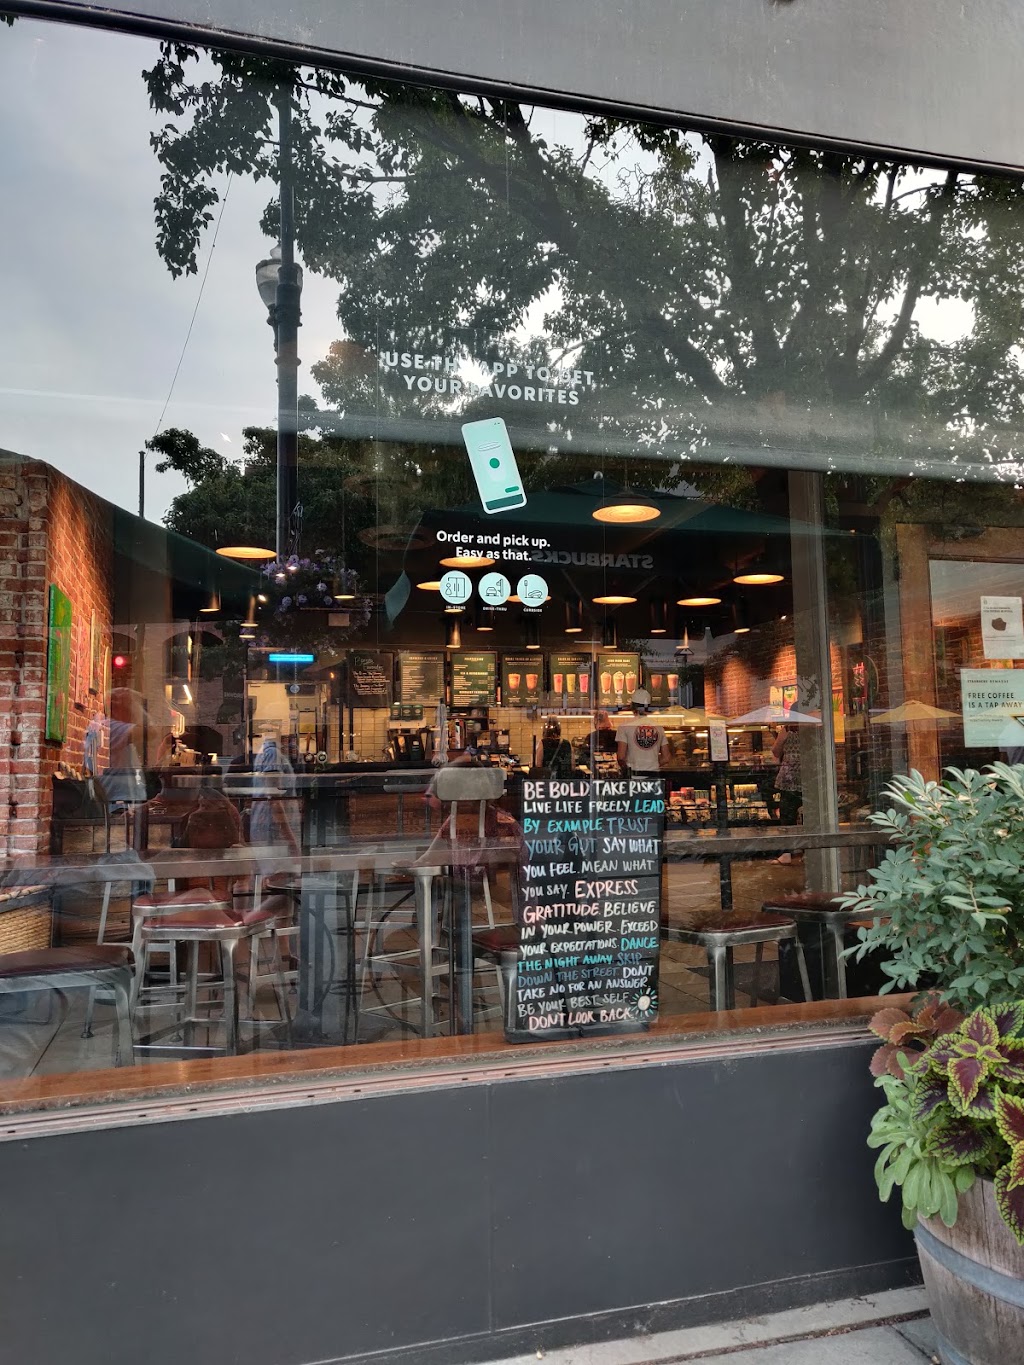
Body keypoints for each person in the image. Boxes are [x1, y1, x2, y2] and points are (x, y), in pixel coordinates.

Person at [616, 689, 669, 775]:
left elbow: (621, 757)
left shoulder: (624, 727)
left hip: (634, 775)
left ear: (632, 706)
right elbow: (666, 757)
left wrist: (628, 771)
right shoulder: (659, 728)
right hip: (654, 775)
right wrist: (651, 766)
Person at [771, 723, 803, 863]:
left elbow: (776, 751)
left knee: (787, 815)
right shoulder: (812, 727)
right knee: (809, 816)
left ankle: (786, 853)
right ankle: (808, 851)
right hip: (808, 775)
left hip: (789, 776)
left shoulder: (787, 729)